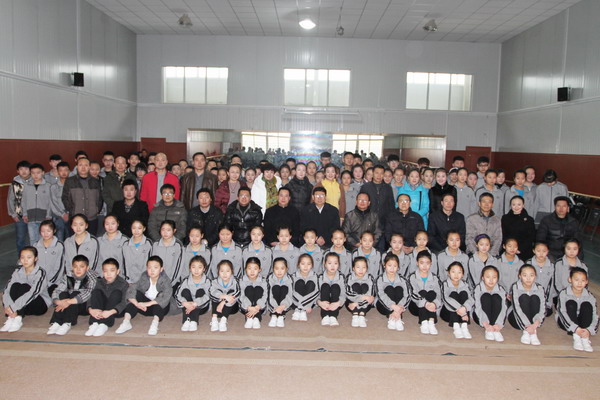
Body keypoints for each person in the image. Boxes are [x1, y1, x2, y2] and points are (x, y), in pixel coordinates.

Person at [115, 256, 173, 336]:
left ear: (161, 269)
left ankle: (154, 324)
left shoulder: (166, 280)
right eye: (149, 268)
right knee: (136, 293)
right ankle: (126, 322)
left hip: (159, 309)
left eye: (155, 267)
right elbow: (133, 287)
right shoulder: (144, 276)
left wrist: (146, 304)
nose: (152, 270)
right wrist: (137, 304)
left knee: (160, 299)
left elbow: (166, 296)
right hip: (143, 308)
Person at [1, 247, 49, 333]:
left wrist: (13, 307)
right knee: (15, 286)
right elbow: (7, 289)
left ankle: (18, 317)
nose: (25, 260)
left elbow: (34, 293)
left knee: (24, 287)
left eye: (29, 257)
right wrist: (7, 306)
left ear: (36, 258)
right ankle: (12, 317)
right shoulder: (17, 271)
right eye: (22, 257)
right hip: (23, 306)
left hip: (39, 305)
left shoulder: (40, 272)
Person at [47, 254, 97, 336]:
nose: (78, 269)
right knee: (63, 293)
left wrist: (69, 302)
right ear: (72, 267)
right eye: (75, 266)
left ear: (87, 268)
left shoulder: (92, 277)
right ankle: (57, 322)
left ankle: (67, 322)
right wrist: (58, 301)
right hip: (69, 304)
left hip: (85, 306)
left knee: (75, 293)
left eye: (82, 266)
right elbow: (58, 290)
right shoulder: (68, 275)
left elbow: (88, 293)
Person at [556, 267, 597, 352]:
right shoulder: (564, 293)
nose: (579, 283)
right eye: (576, 280)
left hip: (583, 323)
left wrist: (589, 330)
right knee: (571, 303)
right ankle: (577, 337)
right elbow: (562, 312)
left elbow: (595, 315)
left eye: (583, 280)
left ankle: (585, 338)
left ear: (586, 282)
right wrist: (575, 329)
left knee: (586, 305)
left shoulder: (590, 296)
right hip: (566, 322)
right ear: (570, 279)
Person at [86, 258, 129, 337]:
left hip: (115, 310)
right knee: (96, 292)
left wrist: (111, 311)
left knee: (116, 293)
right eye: (105, 271)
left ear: (118, 271)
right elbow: (90, 297)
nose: (108, 274)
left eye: (112, 271)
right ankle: (95, 323)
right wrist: (90, 309)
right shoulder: (99, 282)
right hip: (101, 309)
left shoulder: (123, 284)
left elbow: (124, 302)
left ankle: (104, 324)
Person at [62, 157, 103, 234]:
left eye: (86, 165)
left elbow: (100, 198)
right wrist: (72, 210)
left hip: (92, 218)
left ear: (89, 167)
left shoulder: (95, 182)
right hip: (75, 218)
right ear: (77, 167)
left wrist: (97, 210)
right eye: (81, 165)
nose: (83, 167)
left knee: (91, 239)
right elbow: (65, 198)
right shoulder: (70, 181)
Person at [508, 264, 545, 346]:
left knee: (535, 298)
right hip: (516, 318)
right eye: (525, 275)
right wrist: (528, 326)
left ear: (535, 276)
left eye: (531, 275)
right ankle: (527, 331)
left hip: (534, 321)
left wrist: (535, 324)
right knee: (524, 297)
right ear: (520, 276)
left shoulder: (539, 288)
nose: (528, 278)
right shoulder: (515, 287)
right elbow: (516, 308)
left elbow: (543, 308)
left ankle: (533, 332)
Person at [408, 250, 442, 335]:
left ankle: (431, 322)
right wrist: (425, 303)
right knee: (422, 292)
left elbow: (439, 294)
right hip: (416, 305)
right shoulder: (412, 277)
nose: (424, 266)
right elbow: (412, 293)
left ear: (431, 264)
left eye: (427, 263)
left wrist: (434, 304)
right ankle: (424, 322)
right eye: (422, 263)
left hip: (431, 305)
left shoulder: (435, 278)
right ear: (417, 263)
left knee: (431, 293)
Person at [536, 196, 580, 260]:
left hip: (568, 253)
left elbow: (578, 241)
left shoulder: (573, 222)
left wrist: (579, 259)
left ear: (568, 208)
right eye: (558, 206)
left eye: (564, 206)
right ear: (555, 207)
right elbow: (540, 239)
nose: (561, 208)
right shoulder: (546, 220)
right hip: (549, 253)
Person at [176, 255, 211, 332]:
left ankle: (194, 321)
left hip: (201, 307)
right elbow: (177, 294)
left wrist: (196, 303)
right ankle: (186, 320)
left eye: (200, 267)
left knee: (200, 291)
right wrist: (184, 302)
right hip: (187, 305)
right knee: (185, 291)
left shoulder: (207, 281)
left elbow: (208, 296)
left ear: (204, 269)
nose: (196, 270)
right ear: (190, 268)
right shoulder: (186, 280)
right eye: (193, 267)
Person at [376, 254, 410, 331]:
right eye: (389, 265)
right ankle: (393, 316)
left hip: (399, 307)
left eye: (395, 266)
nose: (392, 268)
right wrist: (393, 306)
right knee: (389, 288)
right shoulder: (379, 279)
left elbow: (407, 295)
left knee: (399, 289)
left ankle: (396, 317)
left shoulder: (403, 279)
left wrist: (399, 307)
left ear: (398, 267)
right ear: (384, 265)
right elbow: (380, 295)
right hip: (383, 306)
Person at [473, 265, 507, 342]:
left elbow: (504, 308)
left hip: (496, 318)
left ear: (497, 278)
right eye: (488, 277)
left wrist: (499, 324)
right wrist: (486, 324)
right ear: (482, 278)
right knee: (485, 296)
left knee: (496, 297)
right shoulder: (478, 288)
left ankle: (495, 329)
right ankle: (489, 330)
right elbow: (477, 307)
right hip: (480, 317)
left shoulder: (501, 289)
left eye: (494, 277)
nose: (491, 280)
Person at [440, 261, 473, 339]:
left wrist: (464, 308)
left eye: (459, 272)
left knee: (464, 293)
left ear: (463, 274)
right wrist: (461, 310)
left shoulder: (465, 284)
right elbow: (445, 299)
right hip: (448, 313)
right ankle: (456, 326)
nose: (456, 275)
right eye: (453, 272)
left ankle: (464, 326)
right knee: (453, 294)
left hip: (463, 314)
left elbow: (471, 299)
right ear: (449, 273)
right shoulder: (445, 284)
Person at [21, 163, 52, 244]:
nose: (35, 175)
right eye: (33, 173)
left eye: (38, 173)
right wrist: (25, 214)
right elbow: (24, 201)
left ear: (43, 173)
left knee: (44, 239)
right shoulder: (27, 186)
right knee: (32, 239)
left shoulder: (48, 186)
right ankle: (34, 252)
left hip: (44, 217)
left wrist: (48, 215)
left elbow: (50, 202)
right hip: (30, 217)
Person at [34, 220, 65, 295]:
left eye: (48, 231)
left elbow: (60, 267)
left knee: (55, 296)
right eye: (43, 231)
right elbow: (33, 265)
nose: (45, 234)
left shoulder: (59, 246)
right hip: (39, 280)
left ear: (54, 231)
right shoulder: (35, 246)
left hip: (54, 282)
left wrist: (49, 282)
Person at [359, 165, 395, 230]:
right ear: (373, 173)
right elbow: (360, 204)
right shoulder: (365, 187)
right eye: (377, 173)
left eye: (381, 173)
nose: (379, 175)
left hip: (384, 221)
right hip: (368, 220)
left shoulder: (388, 188)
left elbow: (391, 206)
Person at [209, 260, 240, 333]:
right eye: (222, 271)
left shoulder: (235, 281)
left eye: (227, 271)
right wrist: (223, 296)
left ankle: (223, 320)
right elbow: (211, 294)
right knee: (216, 293)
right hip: (218, 309)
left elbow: (237, 293)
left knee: (231, 294)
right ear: (218, 272)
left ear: (232, 271)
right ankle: (214, 320)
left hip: (231, 308)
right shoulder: (215, 281)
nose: (225, 274)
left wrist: (223, 302)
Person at [501, 195, 536, 260]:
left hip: (524, 251)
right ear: (510, 205)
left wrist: (520, 249)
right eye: (513, 204)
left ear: (523, 205)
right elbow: (504, 235)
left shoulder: (529, 219)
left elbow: (531, 237)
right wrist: (509, 248)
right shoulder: (505, 218)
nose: (516, 207)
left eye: (519, 204)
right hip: (508, 249)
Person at [151, 220, 184, 285]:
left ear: (174, 230)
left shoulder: (178, 246)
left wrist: (170, 283)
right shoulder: (155, 245)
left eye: (168, 230)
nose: (165, 232)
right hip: (157, 281)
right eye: (163, 229)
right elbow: (152, 264)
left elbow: (178, 267)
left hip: (173, 282)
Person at [346, 256, 375, 328]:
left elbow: (370, 296)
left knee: (366, 289)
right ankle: (355, 315)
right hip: (351, 302)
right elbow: (348, 293)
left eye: (364, 267)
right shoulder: (349, 277)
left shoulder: (370, 277)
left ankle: (362, 315)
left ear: (367, 268)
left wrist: (358, 303)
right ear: (353, 268)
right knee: (355, 286)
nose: (361, 270)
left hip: (365, 303)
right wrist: (363, 297)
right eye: (358, 267)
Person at [239, 257, 268, 329]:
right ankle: (251, 318)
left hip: (259, 307)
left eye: (255, 269)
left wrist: (258, 306)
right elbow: (241, 296)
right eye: (249, 268)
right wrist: (249, 307)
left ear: (259, 270)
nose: (252, 271)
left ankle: (256, 318)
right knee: (249, 288)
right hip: (246, 307)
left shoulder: (263, 281)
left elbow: (265, 295)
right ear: (245, 269)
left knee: (258, 289)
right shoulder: (242, 280)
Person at [317, 253, 346, 327]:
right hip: (323, 301)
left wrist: (339, 303)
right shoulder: (320, 277)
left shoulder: (341, 277)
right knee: (325, 286)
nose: (332, 266)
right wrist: (319, 302)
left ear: (339, 264)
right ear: (325, 264)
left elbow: (344, 293)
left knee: (335, 286)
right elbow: (316, 293)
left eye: (335, 263)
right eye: (329, 263)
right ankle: (325, 316)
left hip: (336, 301)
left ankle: (333, 316)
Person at [527, 242, 554, 316]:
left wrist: (548, 301)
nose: (541, 253)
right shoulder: (528, 264)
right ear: (534, 251)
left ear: (548, 251)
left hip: (545, 298)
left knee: (547, 313)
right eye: (538, 251)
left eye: (544, 251)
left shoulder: (552, 266)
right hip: (531, 295)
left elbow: (551, 286)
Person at [291, 254, 319, 322]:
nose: (305, 266)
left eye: (308, 264)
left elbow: (316, 292)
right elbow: (291, 292)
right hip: (296, 302)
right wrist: (303, 304)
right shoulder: (293, 276)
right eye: (303, 264)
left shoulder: (315, 276)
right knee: (299, 282)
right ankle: (301, 309)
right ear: (298, 265)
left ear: (312, 265)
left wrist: (307, 304)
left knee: (310, 283)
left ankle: (301, 309)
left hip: (310, 303)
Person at [267, 257, 293, 328]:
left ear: (286, 269)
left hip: (284, 305)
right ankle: (274, 315)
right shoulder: (270, 278)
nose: (279, 271)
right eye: (276, 268)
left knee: (284, 288)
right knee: (276, 287)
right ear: (273, 269)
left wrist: (283, 306)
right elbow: (269, 296)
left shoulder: (289, 279)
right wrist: (275, 308)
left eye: (282, 268)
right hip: (273, 305)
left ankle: (281, 315)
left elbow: (290, 295)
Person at [49, 161, 71, 241]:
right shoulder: (53, 187)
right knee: (59, 238)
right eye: (61, 170)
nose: (64, 172)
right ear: (58, 172)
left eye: (66, 170)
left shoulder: (73, 186)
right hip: (58, 217)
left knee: (70, 238)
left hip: (71, 215)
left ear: (69, 171)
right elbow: (53, 203)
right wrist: (62, 214)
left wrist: (68, 213)